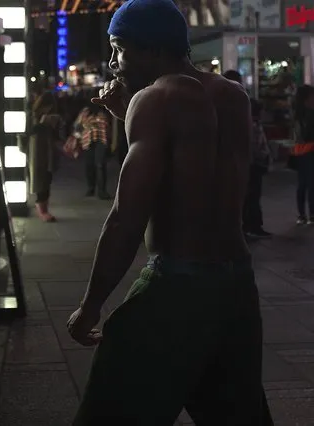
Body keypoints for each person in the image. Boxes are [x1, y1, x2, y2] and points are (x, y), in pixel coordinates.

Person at [66, 0, 273, 424]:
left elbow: (127, 216)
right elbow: (195, 173)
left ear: (153, 49)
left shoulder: (156, 98)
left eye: (119, 48)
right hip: (235, 287)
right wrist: (128, 117)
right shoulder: (232, 96)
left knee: (111, 412)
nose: (113, 63)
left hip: (177, 288)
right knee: (237, 413)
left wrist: (91, 305)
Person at [28, 91, 66, 222]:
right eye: (46, 105)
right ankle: (42, 211)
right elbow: (29, 132)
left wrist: (57, 125)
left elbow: (59, 135)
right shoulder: (33, 116)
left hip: (49, 153)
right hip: (36, 153)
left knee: (47, 180)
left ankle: (44, 210)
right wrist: (42, 124)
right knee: (40, 181)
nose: (48, 109)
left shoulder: (53, 116)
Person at [243, 99, 272, 238]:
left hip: (254, 164)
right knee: (252, 197)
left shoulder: (253, 124)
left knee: (253, 197)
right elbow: (255, 148)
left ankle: (253, 226)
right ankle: (253, 226)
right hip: (253, 165)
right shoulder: (252, 125)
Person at [73, 102, 112, 199]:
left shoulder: (104, 111)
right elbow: (77, 127)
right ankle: (91, 188)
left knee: (100, 165)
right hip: (88, 141)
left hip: (101, 140)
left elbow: (108, 127)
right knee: (89, 165)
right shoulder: (85, 112)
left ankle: (102, 191)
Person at [293, 85, 314, 225]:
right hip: (311, 150)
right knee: (311, 183)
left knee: (302, 183)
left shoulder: (297, 113)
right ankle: (312, 215)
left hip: (300, 150)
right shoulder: (310, 113)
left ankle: (301, 215)